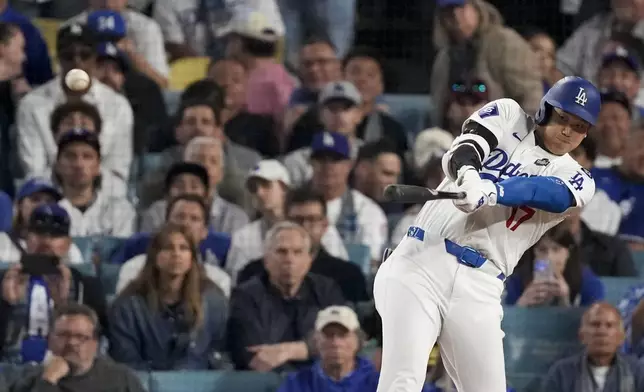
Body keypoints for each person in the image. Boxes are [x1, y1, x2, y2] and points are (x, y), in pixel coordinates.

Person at [373, 76, 601, 392]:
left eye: (578, 126)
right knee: (403, 382)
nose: (567, 130)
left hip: (480, 284)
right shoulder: (508, 114)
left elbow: (544, 192)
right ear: (545, 111)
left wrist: (492, 191)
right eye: (562, 118)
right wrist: (468, 176)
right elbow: (465, 148)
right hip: (422, 261)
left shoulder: (578, 178)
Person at [17, 23, 133, 181]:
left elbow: (117, 171)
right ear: (58, 59)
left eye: (84, 55)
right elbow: (34, 170)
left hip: (104, 197)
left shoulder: (118, 106)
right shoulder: (32, 104)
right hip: (48, 196)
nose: (77, 63)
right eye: (68, 56)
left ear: (95, 60)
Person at [227, 221, 345, 372]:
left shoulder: (326, 290)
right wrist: (313, 349)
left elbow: (346, 340)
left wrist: (288, 351)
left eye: (297, 252)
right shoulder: (245, 296)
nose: (289, 260)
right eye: (281, 252)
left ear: (309, 260)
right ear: (266, 259)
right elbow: (254, 357)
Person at [109, 224, 228, 370]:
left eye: (183, 248)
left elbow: (221, 354)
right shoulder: (128, 305)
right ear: (154, 256)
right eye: (168, 248)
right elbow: (126, 361)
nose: (176, 254)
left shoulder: (214, 301)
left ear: (192, 257)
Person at [0, 204, 107, 363]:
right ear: (27, 239)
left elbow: (96, 342)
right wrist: (8, 305)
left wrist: (65, 306)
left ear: (68, 243)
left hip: (67, 367)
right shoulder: (4, 280)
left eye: (55, 235)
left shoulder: (86, 286)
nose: (46, 241)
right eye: (39, 233)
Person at [237, 187, 364, 302]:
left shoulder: (348, 276)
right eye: (297, 220)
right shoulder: (253, 273)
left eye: (312, 220)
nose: (304, 226)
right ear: (284, 221)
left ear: (324, 225)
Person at [277, 306, 421, 392]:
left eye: (343, 335)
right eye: (328, 335)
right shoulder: (297, 383)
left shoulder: (379, 382)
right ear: (316, 341)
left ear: (358, 341)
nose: (336, 342)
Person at [9, 303, 146, 392]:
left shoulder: (122, 379)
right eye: (63, 335)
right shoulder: (30, 379)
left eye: (81, 337)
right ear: (49, 340)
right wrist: (48, 381)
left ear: (95, 343)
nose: (71, 343)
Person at [115, 195, 231, 297]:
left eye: (194, 219)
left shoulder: (219, 280)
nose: (185, 223)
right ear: (165, 224)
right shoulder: (133, 269)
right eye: (180, 216)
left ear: (205, 232)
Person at [541, 302, 644, 391]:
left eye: (609, 325)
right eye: (595, 324)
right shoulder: (561, 373)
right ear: (582, 336)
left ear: (621, 337)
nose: (601, 332)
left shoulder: (636, 371)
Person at [504, 224, 605, 307]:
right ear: (533, 253)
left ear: (568, 252)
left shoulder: (589, 282)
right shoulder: (516, 280)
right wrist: (521, 304)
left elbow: (591, 325)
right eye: (542, 250)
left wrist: (565, 301)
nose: (549, 257)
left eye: (556, 249)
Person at [225, 160, 290, 282]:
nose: (259, 193)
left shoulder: (310, 224)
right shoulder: (242, 236)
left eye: (266, 185)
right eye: (253, 188)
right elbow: (235, 279)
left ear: (284, 188)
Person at [0, 178, 84, 264]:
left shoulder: (67, 247)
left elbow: (78, 275)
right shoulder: (2, 242)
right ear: (19, 205)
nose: (42, 205)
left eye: (50, 201)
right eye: (35, 199)